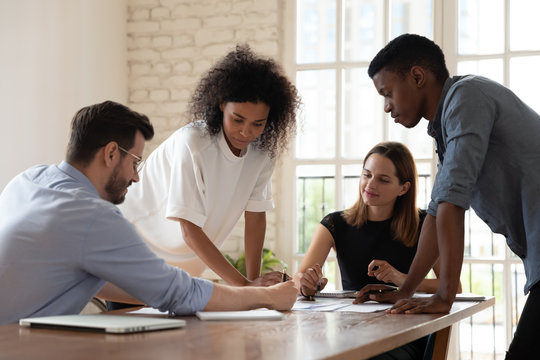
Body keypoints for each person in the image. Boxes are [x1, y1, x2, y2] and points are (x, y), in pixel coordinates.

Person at [0, 101, 297, 325]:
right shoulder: (91, 216)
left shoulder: (28, 181)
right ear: (111, 153)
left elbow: (90, 278)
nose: (136, 178)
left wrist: (181, 288)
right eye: (136, 162)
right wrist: (264, 297)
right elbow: (177, 294)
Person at [358, 33, 540, 359]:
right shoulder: (450, 124)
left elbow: (453, 204)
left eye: (388, 93)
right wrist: (406, 290)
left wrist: (444, 295)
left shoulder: (466, 97)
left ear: (417, 77)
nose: (386, 107)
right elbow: (436, 212)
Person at [119, 44, 300, 287]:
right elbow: (189, 229)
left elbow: (256, 217)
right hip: (132, 250)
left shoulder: (262, 153)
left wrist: (254, 282)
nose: (246, 132)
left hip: (183, 267)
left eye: (258, 124)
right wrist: (246, 287)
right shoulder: (193, 144)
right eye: (238, 119)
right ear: (221, 103)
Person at [294, 141, 440, 360]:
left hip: (403, 333)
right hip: (350, 332)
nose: (370, 185)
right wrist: (307, 284)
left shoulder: (425, 224)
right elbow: (300, 278)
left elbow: (453, 286)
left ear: (404, 188)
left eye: (383, 179)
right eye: (366, 175)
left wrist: (401, 279)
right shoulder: (334, 224)